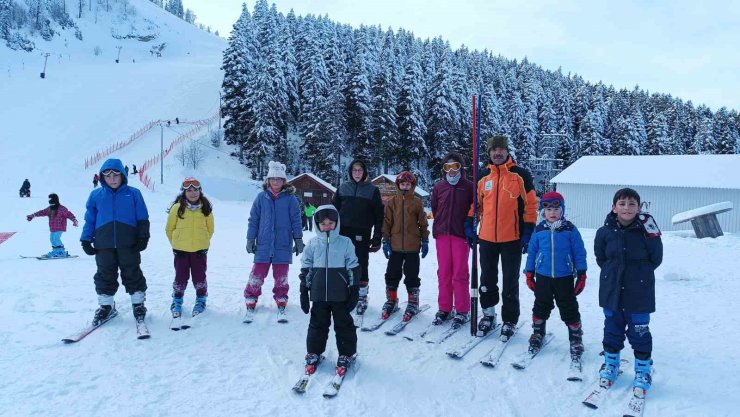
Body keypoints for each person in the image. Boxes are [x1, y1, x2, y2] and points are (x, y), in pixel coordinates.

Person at [594, 188, 662, 396]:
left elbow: (655, 258)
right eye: (622, 203)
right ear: (614, 207)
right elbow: (601, 258)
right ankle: (611, 364)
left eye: (632, 204)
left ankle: (643, 370)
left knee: (639, 333)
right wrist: (611, 274)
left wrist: (639, 275)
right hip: (611, 292)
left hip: (639, 293)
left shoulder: (647, 230)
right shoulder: (604, 232)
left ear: (639, 208)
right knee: (612, 330)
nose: (626, 208)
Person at [473, 135, 538, 339]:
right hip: (486, 238)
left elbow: (531, 204)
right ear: (489, 153)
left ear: (507, 151)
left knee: (510, 281)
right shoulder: (483, 176)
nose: (497, 153)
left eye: (501, 149)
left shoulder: (520, 175)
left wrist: (528, 229)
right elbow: (475, 205)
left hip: (513, 238)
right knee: (487, 278)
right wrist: (469, 223)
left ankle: (509, 319)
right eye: (493, 150)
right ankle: (488, 314)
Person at [80, 159, 150, 329]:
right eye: (107, 175)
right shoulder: (96, 195)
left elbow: (142, 217)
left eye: (115, 174)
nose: (112, 179)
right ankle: (106, 306)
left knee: (132, 272)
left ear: (122, 175)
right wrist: (86, 239)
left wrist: (143, 237)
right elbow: (90, 219)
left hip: (129, 243)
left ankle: (138, 304)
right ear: (102, 176)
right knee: (105, 274)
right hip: (103, 244)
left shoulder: (133, 193)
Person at [523, 192, 587, 361]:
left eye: (556, 209)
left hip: (564, 276)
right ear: (543, 211)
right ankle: (538, 332)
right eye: (549, 209)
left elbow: (579, 252)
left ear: (562, 210)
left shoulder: (570, 229)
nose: (552, 212)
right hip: (543, 275)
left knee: (568, 305)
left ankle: (575, 337)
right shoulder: (539, 230)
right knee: (541, 304)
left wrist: (581, 273)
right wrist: (529, 272)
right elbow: (532, 252)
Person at [299, 205, 360, 375]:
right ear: (317, 224)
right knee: (317, 325)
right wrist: (304, 289)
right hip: (318, 294)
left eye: (331, 223)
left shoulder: (345, 242)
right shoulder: (312, 243)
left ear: (337, 223)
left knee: (344, 325)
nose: (327, 226)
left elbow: (353, 267)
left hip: (340, 295)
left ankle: (346, 354)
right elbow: (306, 268)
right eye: (323, 223)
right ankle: (314, 352)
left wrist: (354, 289)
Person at [245, 161, 304, 320]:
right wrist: (251, 238)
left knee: (281, 275)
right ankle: (251, 296)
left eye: (279, 179)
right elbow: (254, 219)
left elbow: (296, 220)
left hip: (283, 244)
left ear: (284, 181)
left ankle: (281, 298)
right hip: (263, 244)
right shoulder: (261, 197)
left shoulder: (291, 199)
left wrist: (298, 239)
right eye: (273, 178)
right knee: (257, 273)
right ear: (268, 180)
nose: (276, 181)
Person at [332, 159, 384, 316]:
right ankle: (344, 293)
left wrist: (377, 237)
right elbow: (333, 211)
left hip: (362, 232)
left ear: (365, 172)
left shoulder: (372, 190)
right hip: (342, 233)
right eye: (354, 170)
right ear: (350, 172)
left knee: (361, 264)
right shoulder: (342, 188)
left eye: (360, 170)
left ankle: (361, 296)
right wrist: (330, 232)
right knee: (342, 263)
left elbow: (379, 216)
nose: (357, 173)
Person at [430, 152, 475, 326]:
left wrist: (468, 226)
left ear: (460, 167)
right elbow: (435, 208)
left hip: (460, 235)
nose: (451, 170)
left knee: (459, 273)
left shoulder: (469, 186)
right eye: (447, 167)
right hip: (442, 234)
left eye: (454, 166)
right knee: (444, 273)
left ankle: (462, 309)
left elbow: (474, 209)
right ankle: (445, 308)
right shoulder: (439, 187)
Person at [380, 171, 429, 321]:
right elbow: (387, 222)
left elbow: (423, 223)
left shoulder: (417, 202)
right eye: (403, 184)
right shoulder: (392, 202)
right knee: (392, 274)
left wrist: (425, 240)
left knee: (412, 275)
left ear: (412, 186)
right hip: (395, 246)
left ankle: (413, 301)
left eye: (408, 184)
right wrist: (385, 240)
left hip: (412, 247)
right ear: (398, 185)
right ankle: (392, 300)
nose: (405, 187)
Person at [165, 177, 214, 318]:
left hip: (199, 251)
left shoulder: (205, 208)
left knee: (199, 277)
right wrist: (176, 244)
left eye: (196, 190)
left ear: (200, 191)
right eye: (189, 190)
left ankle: (201, 300)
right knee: (180, 277)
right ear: (184, 192)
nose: (193, 193)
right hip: (181, 251)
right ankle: (177, 300)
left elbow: (210, 229)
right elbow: (169, 229)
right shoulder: (177, 208)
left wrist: (203, 242)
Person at [26, 193, 78, 258]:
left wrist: (74, 220)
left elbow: (69, 214)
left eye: (51, 200)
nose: (49, 202)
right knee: (52, 239)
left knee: (56, 238)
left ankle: (61, 252)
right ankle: (56, 251)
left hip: (60, 227)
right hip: (53, 228)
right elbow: (41, 212)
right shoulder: (49, 209)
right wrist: (33, 215)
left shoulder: (62, 209)